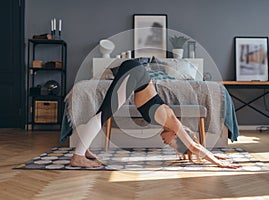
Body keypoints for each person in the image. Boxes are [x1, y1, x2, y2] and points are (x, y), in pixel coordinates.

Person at [70, 59, 241, 169]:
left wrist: (213, 154)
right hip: (135, 73)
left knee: (104, 113)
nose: (165, 143)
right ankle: (78, 157)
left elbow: (194, 148)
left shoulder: (167, 122)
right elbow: (194, 146)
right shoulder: (172, 121)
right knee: (103, 115)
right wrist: (218, 162)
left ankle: (83, 150)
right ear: (176, 135)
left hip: (135, 73)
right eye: (171, 143)